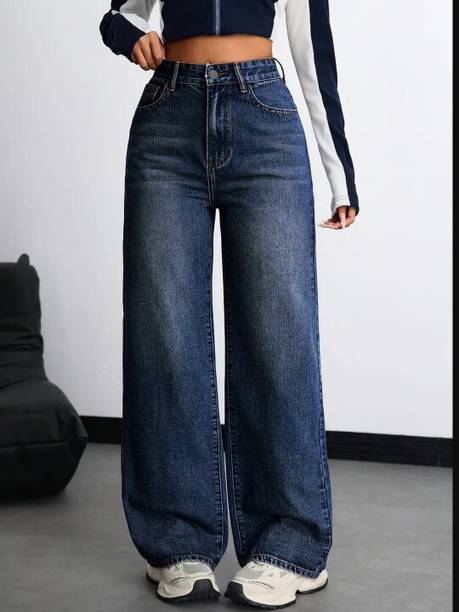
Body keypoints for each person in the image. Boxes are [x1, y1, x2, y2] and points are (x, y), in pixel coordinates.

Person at [99, 0, 359, 608]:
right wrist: (130, 36)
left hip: (263, 115)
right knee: (164, 335)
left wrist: (340, 174)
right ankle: (177, 544)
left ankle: (289, 548)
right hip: (168, 118)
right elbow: (119, 16)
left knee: (278, 337)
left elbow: (313, 51)